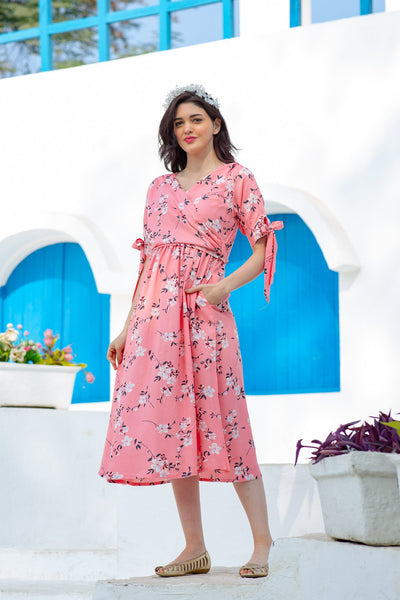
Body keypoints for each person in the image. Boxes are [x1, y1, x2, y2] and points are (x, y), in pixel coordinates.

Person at [98, 84, 283, 579]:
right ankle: (194, 548)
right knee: (174, 429)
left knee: (230, 425)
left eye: (196, 119)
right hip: (155, 323)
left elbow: (263, 248)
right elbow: (148, 263)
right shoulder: (158, 188)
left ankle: (262, 543)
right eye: (178, 123)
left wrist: (223, 286)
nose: (187, 129)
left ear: (215, 124)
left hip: (205, 316)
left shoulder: (236, 178)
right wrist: (127, 327)